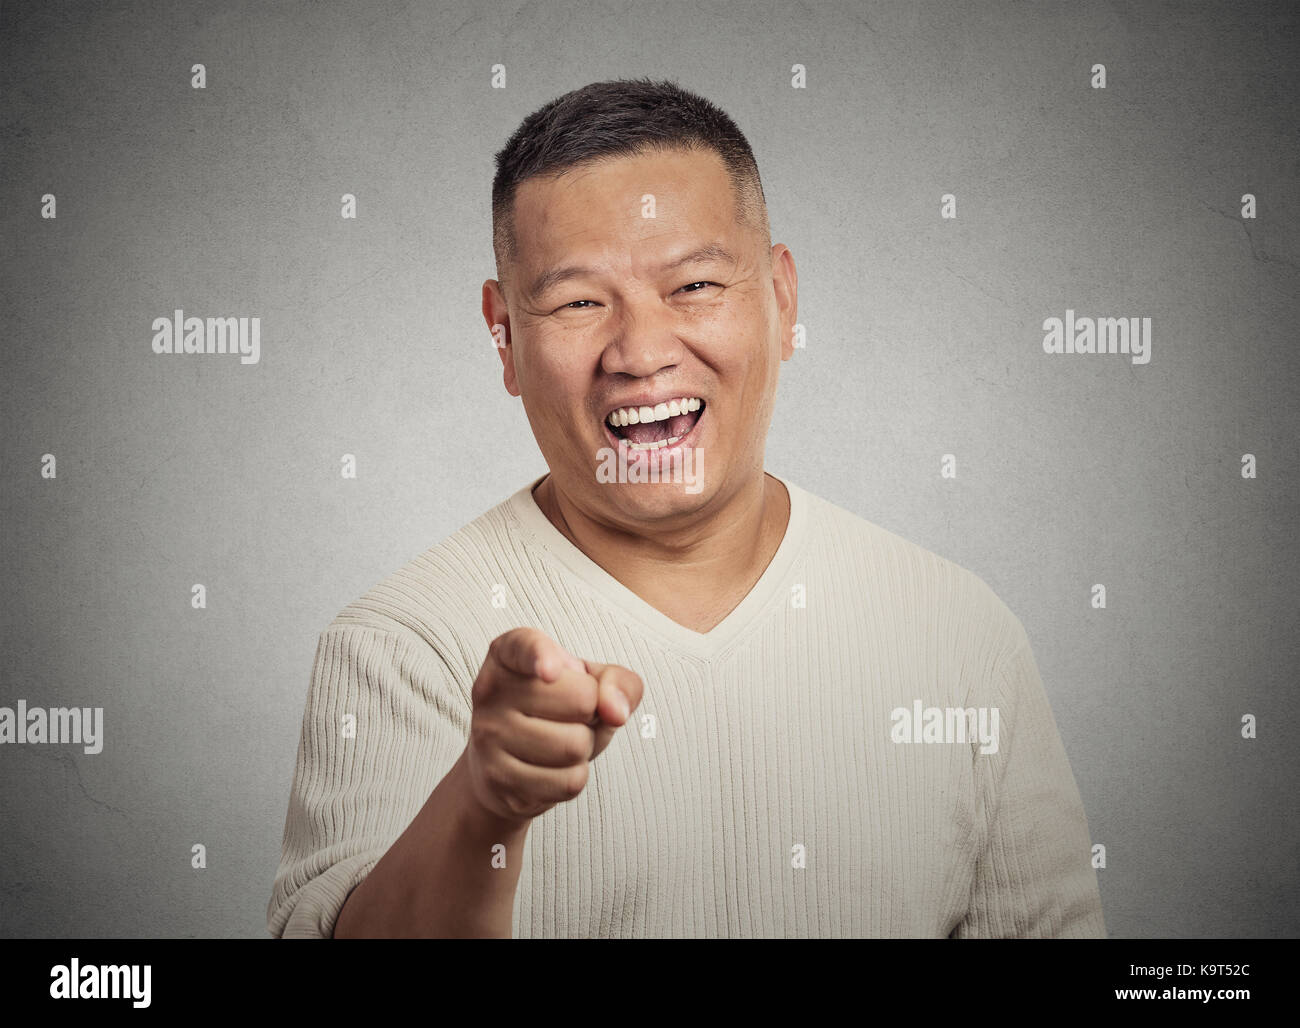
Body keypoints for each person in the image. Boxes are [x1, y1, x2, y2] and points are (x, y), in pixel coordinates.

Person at [267, 77, 1106, 939]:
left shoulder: (960, 636)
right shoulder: (402, 649)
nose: (641, 352)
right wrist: (482, 806)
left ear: (781, 300)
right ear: (504, 335)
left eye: (696, 285)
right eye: (578, 302)